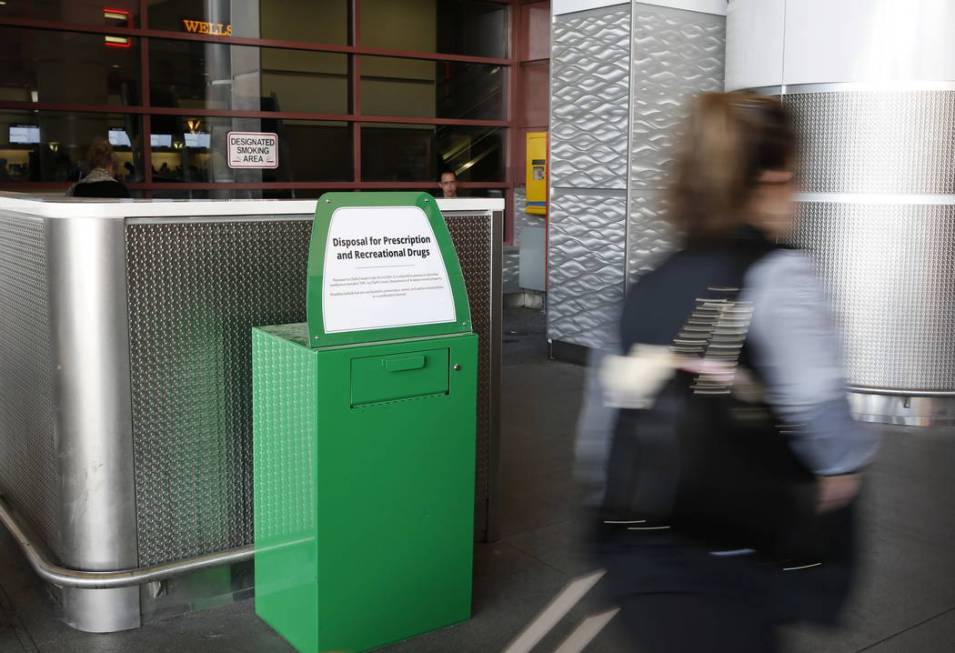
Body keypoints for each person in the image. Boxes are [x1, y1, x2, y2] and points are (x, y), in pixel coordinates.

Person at [581, 92, 879, 652]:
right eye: (795, 178)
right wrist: (842, 472)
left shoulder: (648, 284)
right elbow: (825, 423)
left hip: (641, 560)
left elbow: (599, 437)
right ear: (771, 178)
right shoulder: (779, 274)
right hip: (732, 562)